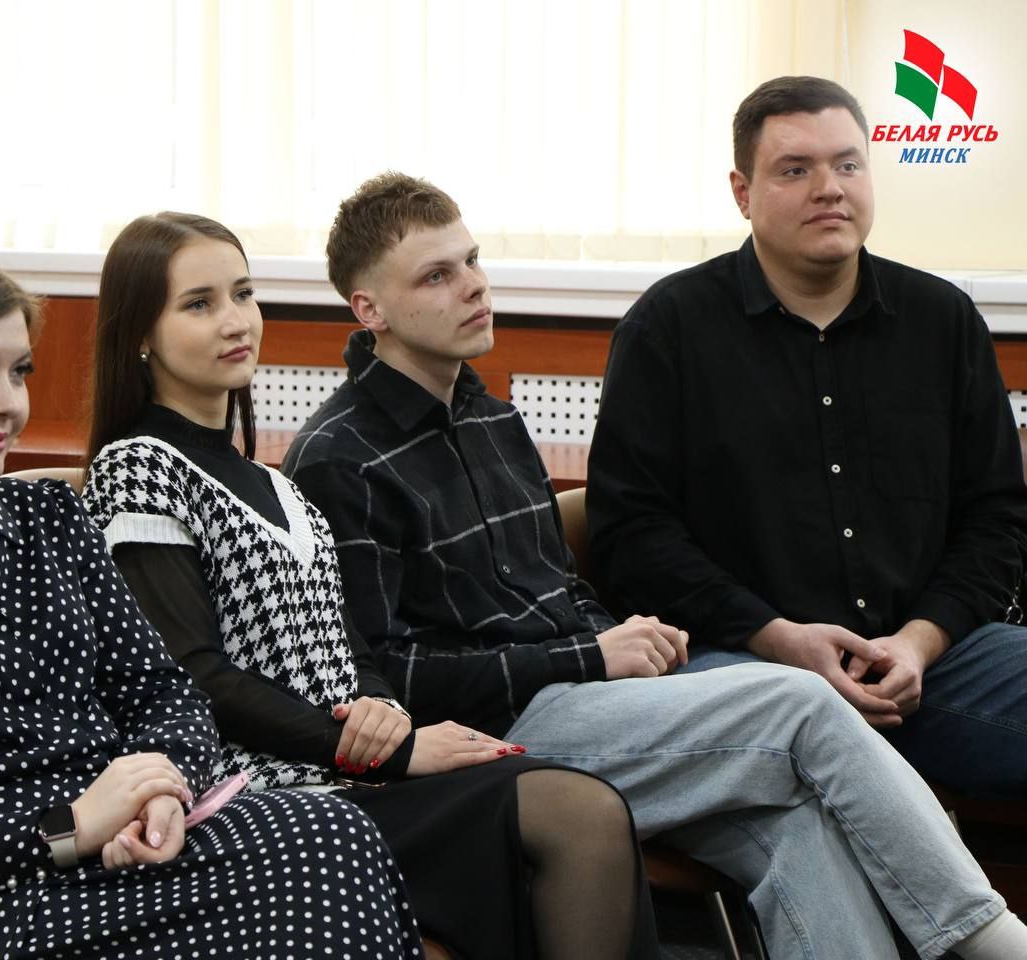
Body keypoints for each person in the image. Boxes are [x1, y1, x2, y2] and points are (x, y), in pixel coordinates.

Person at [283, 170, 1027, 960]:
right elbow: (381, 679)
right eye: (436, 276)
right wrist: (592, 657)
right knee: (800, 703)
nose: (473, 286)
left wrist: (631, 643)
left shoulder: (491, 418)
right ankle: (991, 941)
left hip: (588, 704)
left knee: (798, 825)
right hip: (491, 735)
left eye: (471, 261)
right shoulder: (339, 459)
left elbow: (556, 591)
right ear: (369, 309)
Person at [0, 240, 422, 959]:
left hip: (122, 856)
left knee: (333, 834)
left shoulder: (48, 518)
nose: (8, 403)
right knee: (324, 859)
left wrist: (160, 793)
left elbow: (165, 693)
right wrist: (65, 826)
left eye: (19, 371)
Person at [79, 211, 660, 960]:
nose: (235, 320)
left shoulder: (274, 482)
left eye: (243, 293)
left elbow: (351, 648)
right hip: (267, 794)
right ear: (141, 335)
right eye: (199, 303)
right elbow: (193, 675)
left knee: (578, 805)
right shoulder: (137, 468)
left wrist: (386, 710)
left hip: (350, 775)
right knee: (574, 810)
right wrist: (383, 751)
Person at [586, 76, 1027, 799]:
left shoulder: (943, 322)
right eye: (795, 170)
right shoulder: (668, 329)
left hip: (933, 665)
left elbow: (996, 519)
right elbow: (631, 535)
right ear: (743, 192)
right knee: (791, 730)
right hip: (746, 666)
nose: (830, 188)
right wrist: (778, 637)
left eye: (848, 164)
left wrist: (918, 642)